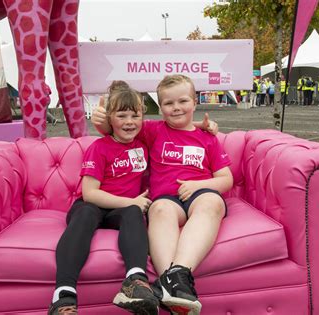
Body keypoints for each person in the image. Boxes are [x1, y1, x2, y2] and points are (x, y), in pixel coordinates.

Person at [92, 75, 233, 315]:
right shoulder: (153, 130)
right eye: (168, 103)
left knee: (211, 203)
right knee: (159, 210)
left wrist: (198, 185)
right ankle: (174, 285)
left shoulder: (208, 138)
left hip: (200, 193)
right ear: (160, 108)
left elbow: (226, 179)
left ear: (195, 102)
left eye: (183, 101)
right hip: (167, 199)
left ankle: (174, 276)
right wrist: (101, 122)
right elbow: (121, 127)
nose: (176, 107)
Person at [48, 81, 158, 315]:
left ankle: (135, 282)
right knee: (88, 211)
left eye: (135, 115)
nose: (129, 122)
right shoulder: (99, 148)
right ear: (109, 119)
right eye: (122, 115)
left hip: (122, 210)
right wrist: (132, 201)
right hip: (93, 206)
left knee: (133, 213)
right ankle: (63, 294)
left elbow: (174, 128)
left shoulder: (143, 145)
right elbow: (90, 194)